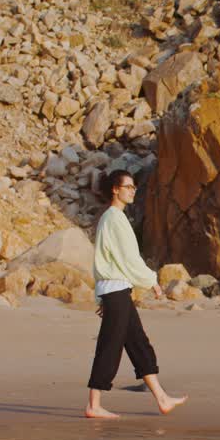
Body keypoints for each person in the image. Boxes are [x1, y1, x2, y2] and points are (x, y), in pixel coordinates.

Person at [85, 169, 187, 419]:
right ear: (115, 189)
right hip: (115, 291)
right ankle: (93, 405)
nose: (133, 191)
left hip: (117, 291)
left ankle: (162, 398)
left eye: (134, 187)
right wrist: (151, 281)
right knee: (110, 346)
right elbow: (128, 259)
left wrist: (103, 296)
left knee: (138, 344)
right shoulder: (113, 218)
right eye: (128, 187)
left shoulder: (114, 218)